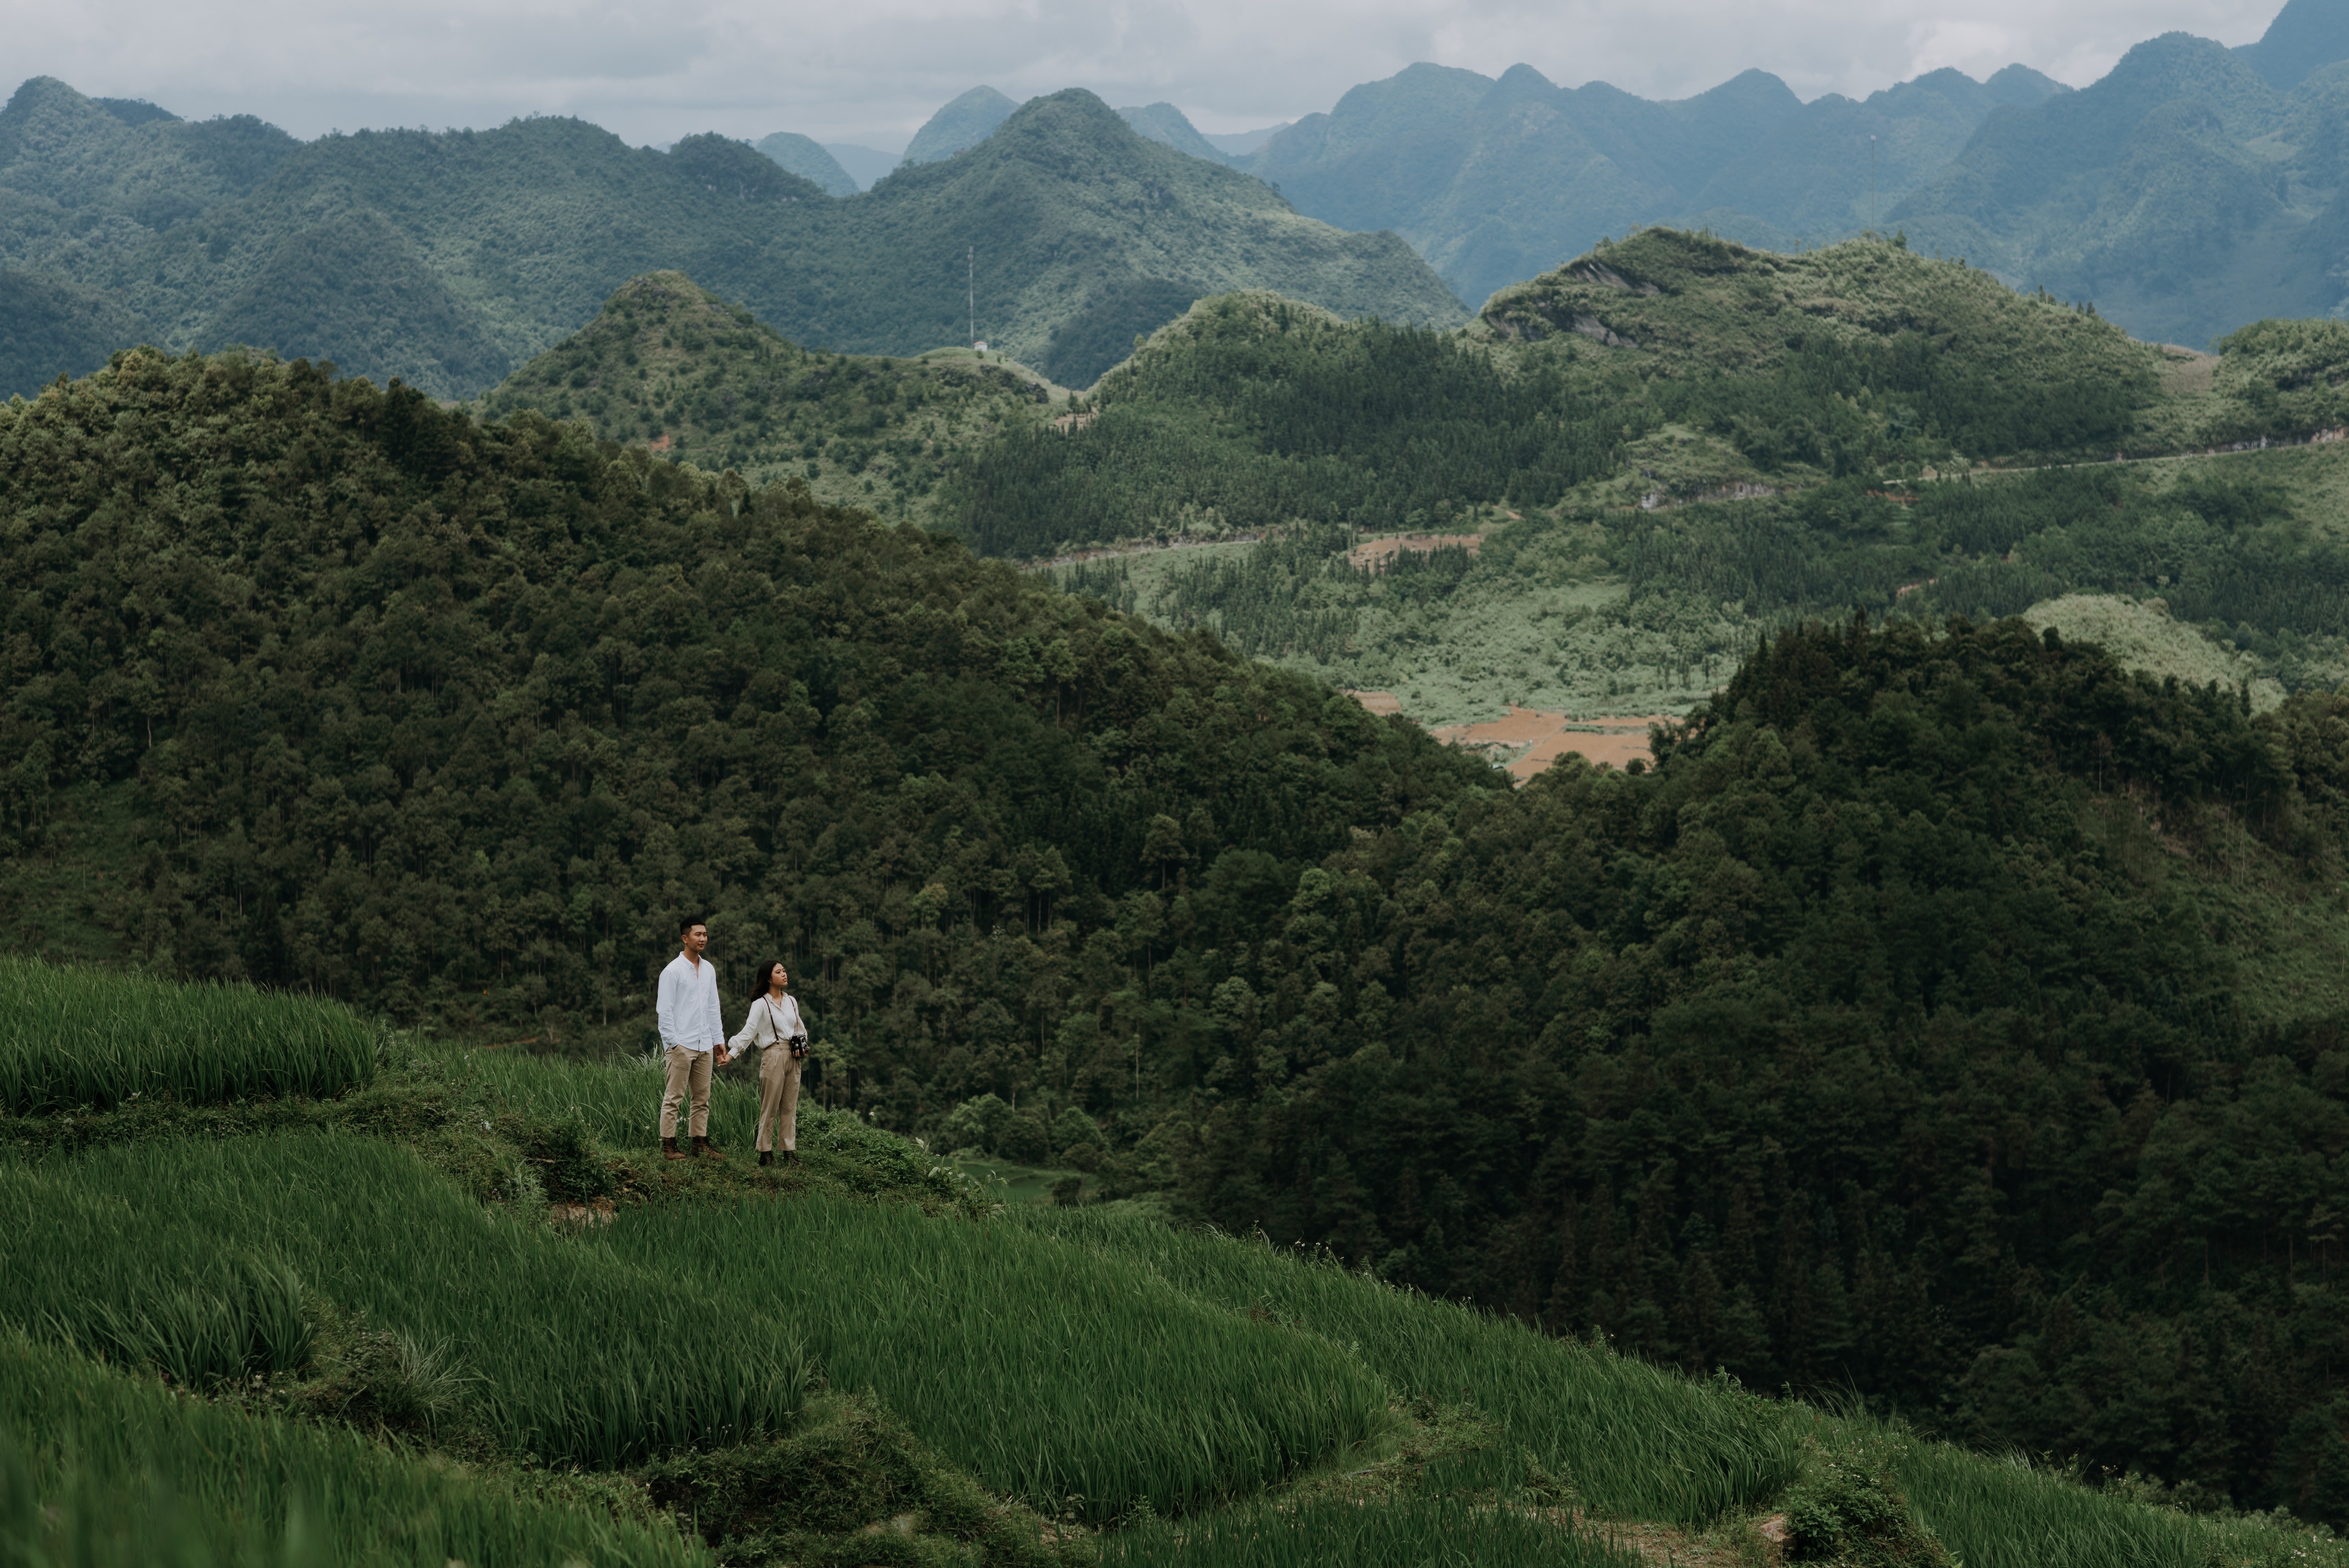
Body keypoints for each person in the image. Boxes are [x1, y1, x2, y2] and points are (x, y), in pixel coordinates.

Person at [656, 916, 729, 1160]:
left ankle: (700, 1145)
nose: (703, 939)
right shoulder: (672, 971)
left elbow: (713, 1008)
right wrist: (673, 1044)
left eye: (705, 935)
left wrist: (718, 1040)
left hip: (705, 1044)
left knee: (702, 1099)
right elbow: (664, 1011)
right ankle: (669, 1147)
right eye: (698, 935)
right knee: (673, 1098)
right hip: (681, 1045)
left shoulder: (709, 969)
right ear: (685, 938)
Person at [728, 960, 810, 1167]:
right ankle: (765, 1152)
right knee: (770, 1106)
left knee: (790, 1108)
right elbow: (749, 1032)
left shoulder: (791, 1001)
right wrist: (732, 1054)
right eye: (779, 972)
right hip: (773, 1054)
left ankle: (788, 1152)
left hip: (794, 1055)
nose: (785, 974)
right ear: (768, 978)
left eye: (784, 970)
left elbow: (800, 1027)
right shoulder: (761, 1004)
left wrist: (803, 1045)